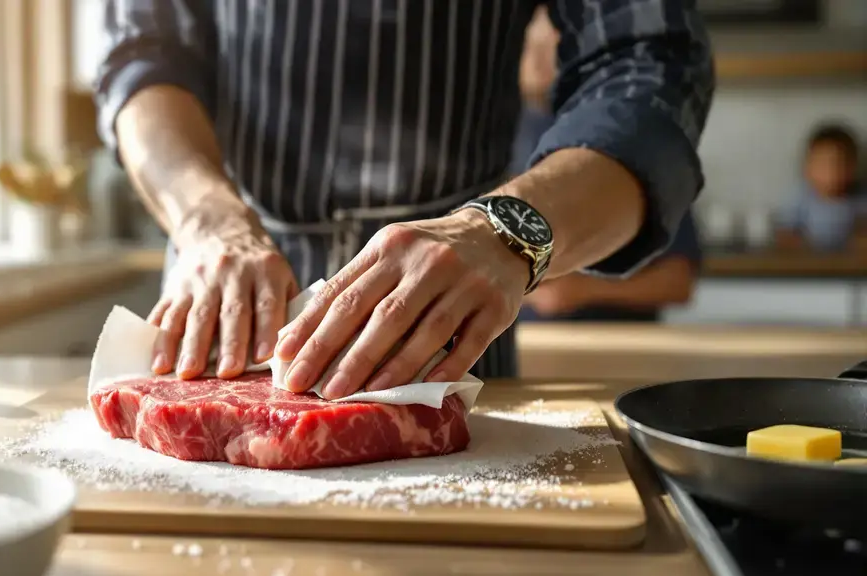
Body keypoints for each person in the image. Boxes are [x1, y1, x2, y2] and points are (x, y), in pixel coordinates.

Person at [96, 1, 714, 394]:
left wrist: (503, 231)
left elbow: (649, 65)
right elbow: (142, 56)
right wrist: (209, 222)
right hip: (224, 311)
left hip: (454, 319)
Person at [511, 7, 702, 323]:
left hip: (620, 339)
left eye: (553, 46)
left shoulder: (637, 140)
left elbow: (678, 281)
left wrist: (582, 291)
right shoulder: (488, 147)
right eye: (528, 45)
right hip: (520, 343)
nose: (538, 59)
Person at [775, 123, 867, 252]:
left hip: (848, 262)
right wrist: (798, 244)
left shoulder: (860, 198)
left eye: (841, 164)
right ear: (808, 168)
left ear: (854, 167)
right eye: (824, 165)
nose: (833, 172)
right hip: (810, 260)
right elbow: (784, 233)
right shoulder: (801, 197)